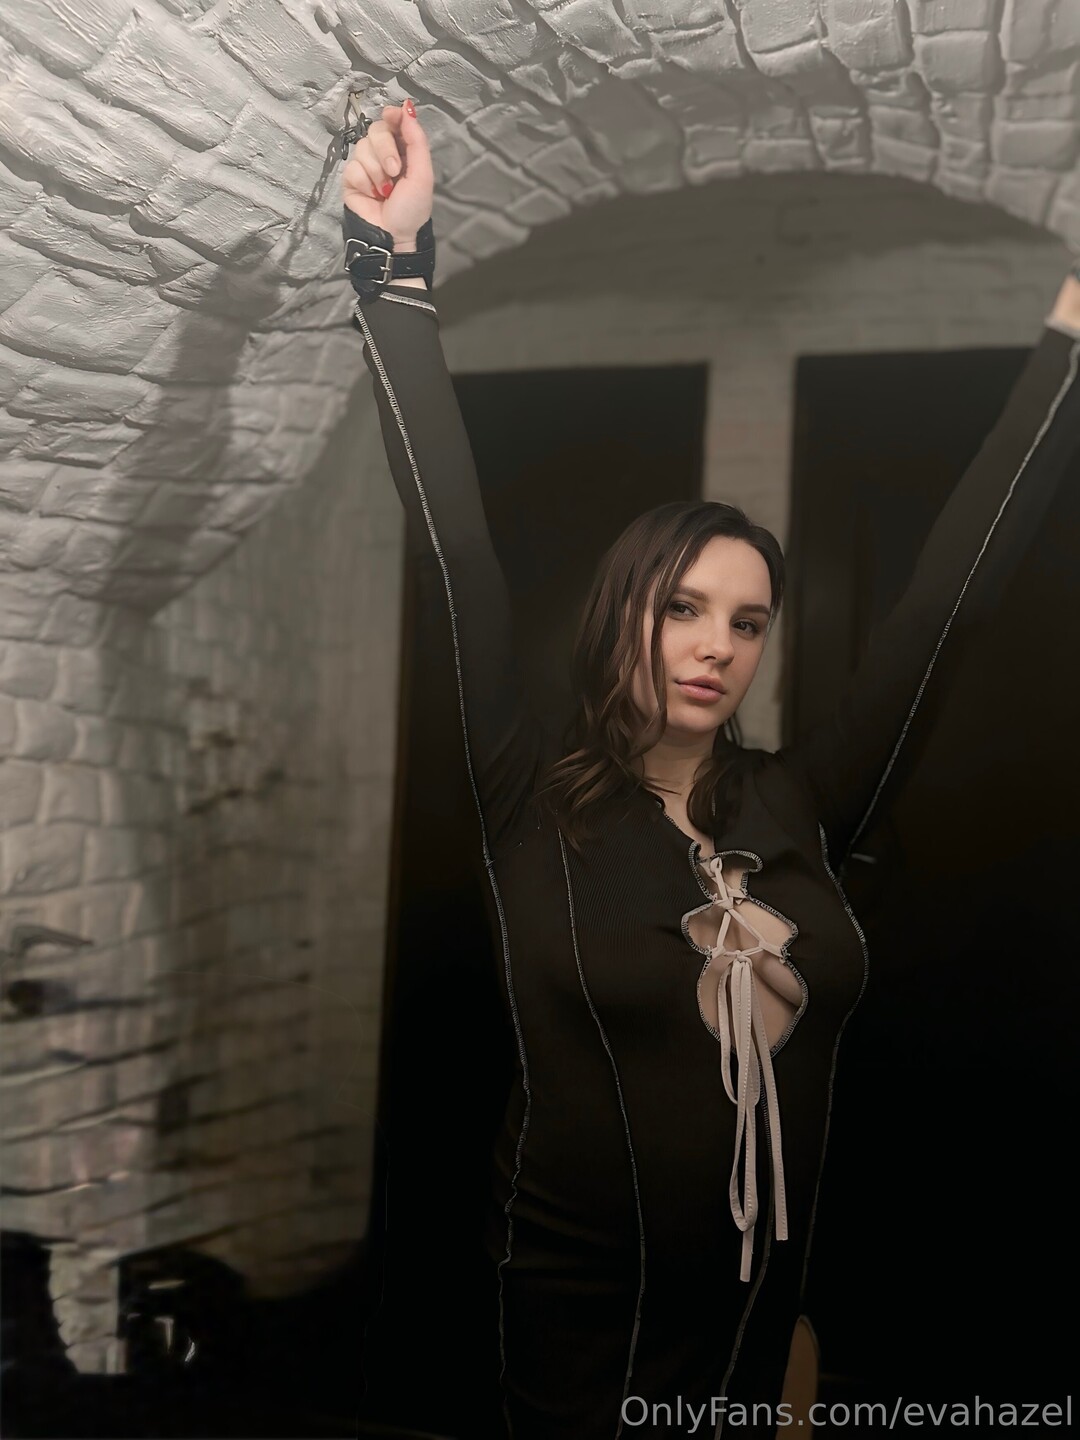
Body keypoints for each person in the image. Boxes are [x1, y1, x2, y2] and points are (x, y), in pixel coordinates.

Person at [341, 100, 1080, 1439]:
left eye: (747, 622)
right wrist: (395, 270)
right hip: (578, 1303)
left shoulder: (797, 801)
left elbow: (944, 606)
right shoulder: (528, 790)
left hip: (761, 1292)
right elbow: (457, 551)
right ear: (620, 614)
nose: (715, 646)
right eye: (682, 607)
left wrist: (1072, 337)